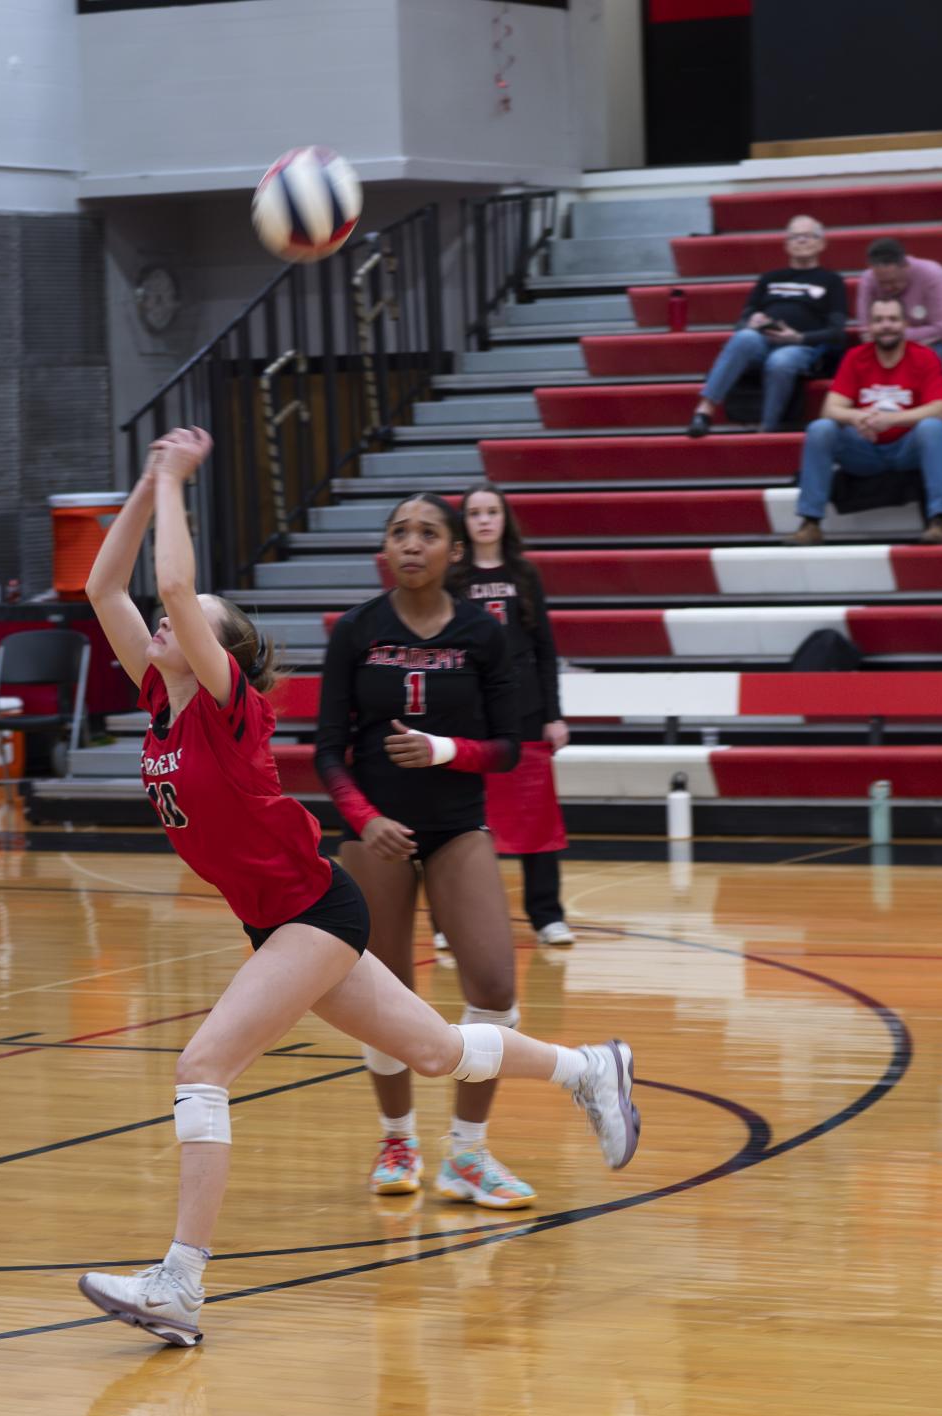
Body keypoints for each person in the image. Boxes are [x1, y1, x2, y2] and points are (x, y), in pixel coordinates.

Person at [77, 430, 638, 1346]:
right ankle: (589, 1069)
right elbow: (107, 588)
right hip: (283, 921)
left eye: (186, 618)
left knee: (202, 1068)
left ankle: (180, 1281)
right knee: (434, 1050)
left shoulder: (227, 708)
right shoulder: (156, 692)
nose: (164, 620)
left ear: (218, 650)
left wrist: (178, 481)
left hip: (312, 913)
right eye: (165, 622)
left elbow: (173, 587)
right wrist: (144, 486)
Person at [315, 492, 551, 1210]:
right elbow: (327, 751)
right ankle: (396, 1137)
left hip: (456, 826)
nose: (411, 544)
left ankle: (468, 1156)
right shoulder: (356, 631)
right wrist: (365, 818)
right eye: (399, 532)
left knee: (493, 987)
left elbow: (510, 748)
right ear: (384, 550)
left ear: (454, 552)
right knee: (386, 998)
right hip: (375, 832)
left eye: (427, 533)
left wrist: (441, 749)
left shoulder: (483, 634)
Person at [450, 486, 573, 947]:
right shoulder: (453, 579)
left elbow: (545, 649)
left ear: (505, 519)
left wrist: (554, 715)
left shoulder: (525, 574)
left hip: (525, 713)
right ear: (465, 523)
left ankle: (547, 916)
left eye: (492, 511)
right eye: (475, 513)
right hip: (468, 714)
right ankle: (452, 922)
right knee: (461, 818)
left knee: (537, 815)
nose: (484, 520)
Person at [789, 297, 942, 547]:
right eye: (879, 320)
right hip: (863, 448)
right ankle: (810, 523)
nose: (886, 325)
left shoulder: (925, 357)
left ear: (905, 324)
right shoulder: (855, 357)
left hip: (905, 449)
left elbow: (940, 409)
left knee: (932, 427)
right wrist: (858, 416)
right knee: (820, 428)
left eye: (892, 319)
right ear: (869, 326)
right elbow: (830, 409)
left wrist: (892, 420)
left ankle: (939, 521)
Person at [685, 216, 847, 437]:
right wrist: (752, 322)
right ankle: (704, 411)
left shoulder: (831, 281)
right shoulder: (769, 278)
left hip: (801, 346)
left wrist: (798, 338)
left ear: (821, 243)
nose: (800, 241)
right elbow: (741, 322)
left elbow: (837, 332)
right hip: (762, 340)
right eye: (794, 237)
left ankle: (768, 427)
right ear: (786, 245)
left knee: (780, 361)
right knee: (743, 338)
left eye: (807, 236)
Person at [856, 239, 942, 423]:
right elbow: (865, 329)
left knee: (939, 360)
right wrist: (892, 335)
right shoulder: (868, 279)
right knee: (859, 359)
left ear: (906, 267)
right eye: (882, 283)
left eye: (893, 281)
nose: (887, 288)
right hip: (891, 343)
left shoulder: (932, 274)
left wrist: (895, 333)